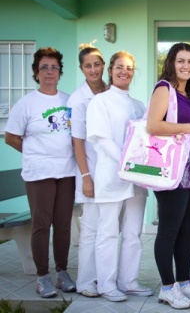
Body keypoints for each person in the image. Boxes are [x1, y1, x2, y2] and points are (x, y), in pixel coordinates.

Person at [4, 47, 76, 298]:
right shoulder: (26, 103)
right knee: (42, 224)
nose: (49, 72)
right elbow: (11, 137)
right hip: (39, 173)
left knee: (64, 225)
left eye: (54, 67)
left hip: (67, 172)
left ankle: (62, 273)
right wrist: (33, 151)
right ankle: (42, 276)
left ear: (60, 72)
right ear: (36, 72)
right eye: (44, 67)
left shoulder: (69, 100)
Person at [146, 43, 190, 310]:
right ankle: (167, 288)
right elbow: (153, 125)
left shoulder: (188, 94)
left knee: (188, 229)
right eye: (181, 61)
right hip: (171, 172)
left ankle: (184, 282)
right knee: (169, 230)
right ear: (171, 62)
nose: (186, 66)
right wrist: (189, 127)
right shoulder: (164, 89)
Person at [86, 51, 152, 302]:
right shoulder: (100, 102)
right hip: (111, 176)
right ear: (110, 70)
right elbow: (101, 140)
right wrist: (127, 163)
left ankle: (129, 281)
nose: (124, 71)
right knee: (108, 232)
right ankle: (105, 283)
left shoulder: (138, 105)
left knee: (133, 232)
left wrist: (138, 168)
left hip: (136, 179)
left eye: (129, 68)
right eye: (119, 67)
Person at [67, 42, 107, 297]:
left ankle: (104, 279)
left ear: (103, 66)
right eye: (88, 66)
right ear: (81, 69)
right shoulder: (77, 99)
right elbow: (77, 141)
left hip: (110, 171)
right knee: (91, 228)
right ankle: (85, 282)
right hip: (90, 171)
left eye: (97, 64)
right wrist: (86, 177)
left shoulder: (110, 90)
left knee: (108, 230)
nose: (93, 69)